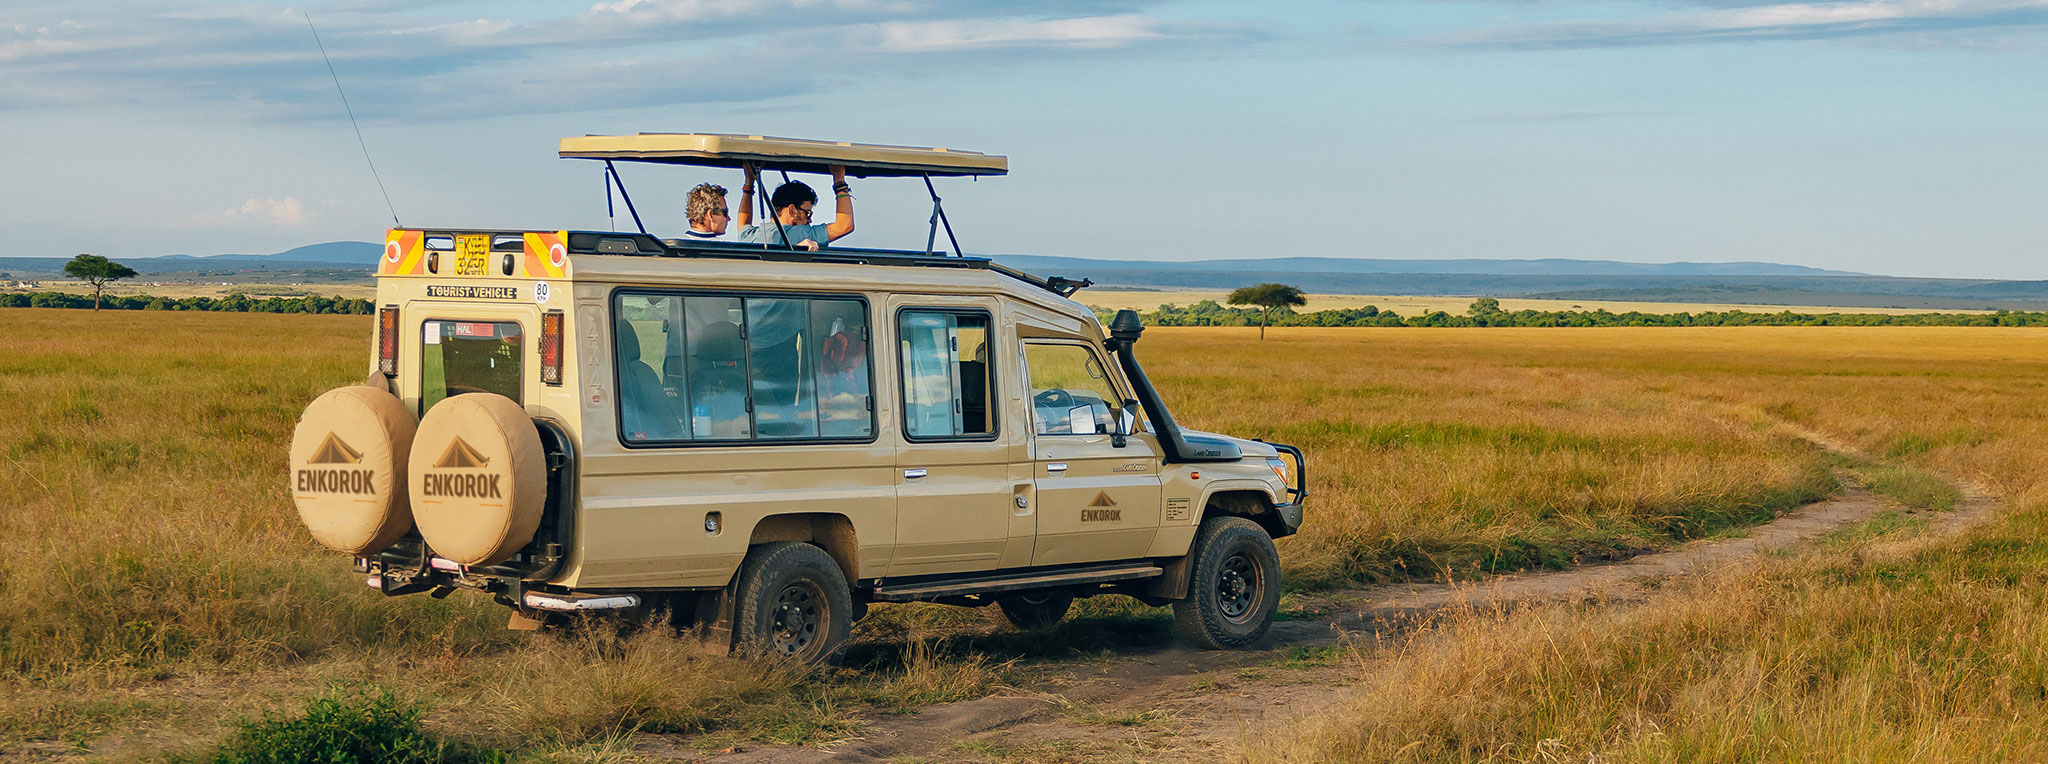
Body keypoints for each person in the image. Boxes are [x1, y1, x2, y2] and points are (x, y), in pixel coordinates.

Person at [738, 164, 855, 251]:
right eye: (807, 213)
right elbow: (845, 225)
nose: (809, 220)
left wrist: (749, 181)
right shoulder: (798, 233)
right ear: (792, 210)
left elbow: (742, 224)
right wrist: (839, 180)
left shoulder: (751, 235)